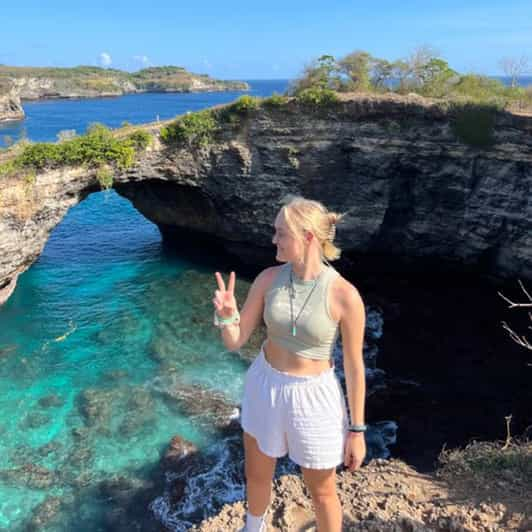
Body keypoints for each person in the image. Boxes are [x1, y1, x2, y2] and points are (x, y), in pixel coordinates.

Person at [212, 195, 366, 532]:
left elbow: (355, 368)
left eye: (281, 233)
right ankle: (253, 528)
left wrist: (357, 430)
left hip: (314, 397)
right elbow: (235, 341)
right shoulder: (268, 279)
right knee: (256, 475)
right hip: (264, 383)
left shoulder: (344, 295)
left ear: (308, 237)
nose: (273, 240)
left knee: (322, 491)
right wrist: (226, 316)